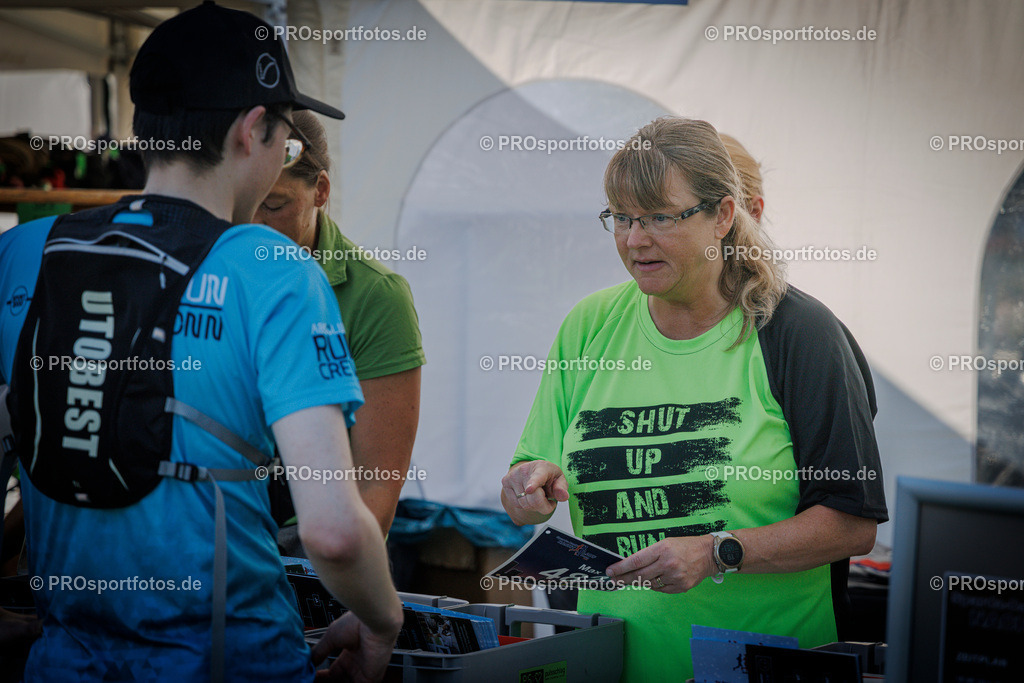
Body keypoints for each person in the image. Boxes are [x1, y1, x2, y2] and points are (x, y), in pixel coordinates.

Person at [0, 3, 402, 681]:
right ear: (252, 130)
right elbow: (333, 531)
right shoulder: (272, 270)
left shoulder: (23, 252)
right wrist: (381, 619)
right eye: (286, 142)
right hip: (237, 662)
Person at [501, 116, 887, 681]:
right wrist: (525, 487)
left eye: (661, 217)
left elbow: (853, 524)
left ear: (723, 216)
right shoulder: (589, 325)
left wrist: (717, 552)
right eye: (622, 217)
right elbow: (524, 488)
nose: (635, 239)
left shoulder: (798, 333)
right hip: (608, 666)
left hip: (761, 669)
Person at [254, 111, 424, 539]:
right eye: (241, 203)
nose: (253, 225)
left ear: (321, 190)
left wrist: (321, 568)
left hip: (309, 541)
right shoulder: (210, 271)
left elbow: (375, 490)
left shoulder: (376, 297)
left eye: (274, 206)